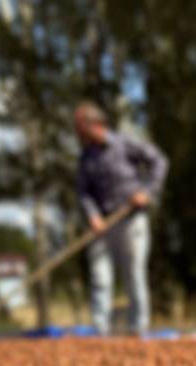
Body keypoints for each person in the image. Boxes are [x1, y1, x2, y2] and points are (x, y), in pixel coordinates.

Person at [74, 102, 168, 336]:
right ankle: (100, 328)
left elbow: (159, 161)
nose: (78, 134)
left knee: (134, 274)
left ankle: (138, 328)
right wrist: (93, 215)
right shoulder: (86, 157)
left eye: (81, 129)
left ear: (95, 125)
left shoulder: (124, 144)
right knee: (100, 276)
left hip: (130, 218)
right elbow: (83, 192)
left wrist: (147, 192)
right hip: (102, 224)